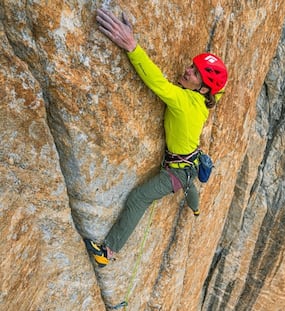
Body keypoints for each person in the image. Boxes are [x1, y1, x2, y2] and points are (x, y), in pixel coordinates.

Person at [84, 8, 228, 267]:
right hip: (189, 161)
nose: (187, 70)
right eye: (192, 66)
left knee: (139, 198)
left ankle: (107, 253)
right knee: (190, 186)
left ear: (204, 88)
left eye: (194, 73)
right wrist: (216, 88)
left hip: (175, 172)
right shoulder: (206, 99)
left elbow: (157, 82)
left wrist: (131, 45)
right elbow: (218, 92)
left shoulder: (184, 100)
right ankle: (195, 209)